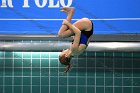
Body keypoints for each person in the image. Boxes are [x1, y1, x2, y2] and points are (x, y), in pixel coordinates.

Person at [58, 7, 94, 73]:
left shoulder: (75, 53)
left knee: (63, 34)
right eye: (62, 52)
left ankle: (70, 13)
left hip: (87, 28)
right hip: (86, 26)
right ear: (65, 55)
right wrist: (67, 23)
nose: (63, 50)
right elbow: (78, 32)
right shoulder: (73, 49)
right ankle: (71, 12)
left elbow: (86, 39)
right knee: (61, 34)